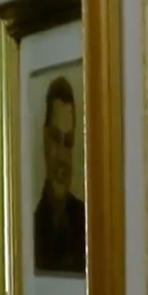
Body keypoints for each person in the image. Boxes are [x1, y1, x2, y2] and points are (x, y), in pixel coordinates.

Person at [33, 75, 86, 274]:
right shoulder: (31, 230)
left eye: (68, 142)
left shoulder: (86, 222)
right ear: (45, 139)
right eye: (56, 139)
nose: (62, 157)